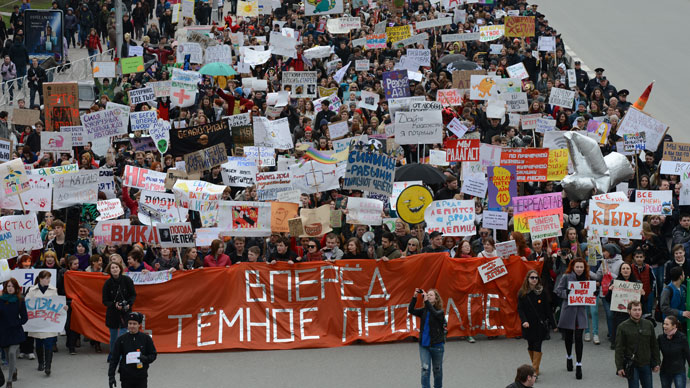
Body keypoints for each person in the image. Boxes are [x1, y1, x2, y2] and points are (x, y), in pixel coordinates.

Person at [555, 258, 593, 380]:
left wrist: (594, 293)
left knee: (578, 338)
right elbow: (558, 290)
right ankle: (569, 356)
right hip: (569, 310)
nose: (579, 269)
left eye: (581, 267)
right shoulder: (566, 277)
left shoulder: (587, 279)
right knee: (568, 337)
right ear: (573, 267)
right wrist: (567, 292)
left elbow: (590, 293)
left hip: (580, 312)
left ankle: (579, 364)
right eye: (577, 267)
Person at [517, 270, 554, 377]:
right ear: (527, 279)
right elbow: (520, 309)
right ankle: (536, 367)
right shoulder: (522, 293)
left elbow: (547, 308)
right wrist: (524, 321)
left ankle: (533, 371)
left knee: (538, 345)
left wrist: (554, 324)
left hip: (540, 324)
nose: (534, 280)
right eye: (532, 277)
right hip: (528, 324)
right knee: (531, 345)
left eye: (536, 278)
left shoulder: (542, 292)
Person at [615, 300, 660, 388]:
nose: (637, 312)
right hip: (632, 365)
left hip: (646, 364)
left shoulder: (648, 324)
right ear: (629, 311)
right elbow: (619, 348)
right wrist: (619, 367)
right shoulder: (622, 327)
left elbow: (654, 345)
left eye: (639, 310)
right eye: (634, 310)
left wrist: (657, 362)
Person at [108, 312, 157, 388]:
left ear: (139, 325)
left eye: (134, 324)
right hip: (126, 376)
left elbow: (153, 354)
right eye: (130, 323)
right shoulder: (121, 340)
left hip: (141, 376)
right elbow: (114, 359)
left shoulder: (146, 339)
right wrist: (111, 376)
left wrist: (145, 359)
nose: (132, 326)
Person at [26, 270, 61, 376]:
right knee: (39, 343)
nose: (48, 280)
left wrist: (63, 307)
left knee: (49, 343)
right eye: (46, 278)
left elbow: (57, 304)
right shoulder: (32, 290)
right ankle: (41, 362)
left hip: (49, 321)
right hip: (37, 322)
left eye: (49, 278)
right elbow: (27, 304)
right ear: (40, 279)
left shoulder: (53, 290)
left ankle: (48, 366)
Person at [409, 288, 445, 388]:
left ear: (436, 299)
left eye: (431, 295)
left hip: (437, 346)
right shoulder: (424, 311)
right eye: (427, 295)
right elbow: (410, 310)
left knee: (437, 370)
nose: (428, 296)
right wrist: (414, 297)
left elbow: (434, 312)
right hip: (424, 346)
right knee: (425, 370)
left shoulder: (440, 312)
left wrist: (426, 301)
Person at [102, 260, 137, 363]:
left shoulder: (127, 280)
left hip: (125, 313)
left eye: (116, 267)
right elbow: (105, 301)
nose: (115, 269)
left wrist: (129, 304)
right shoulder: (107, 283)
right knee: (113, 337)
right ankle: (113, 354)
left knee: (122, 336)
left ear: (120, 269)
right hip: (113, 313)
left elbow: (133, 295)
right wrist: (114, 304)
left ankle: (121, 357)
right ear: (110, 270)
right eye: (112, 268)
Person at [0, 278, 28, 388]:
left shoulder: (20, 299)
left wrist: (16, 323)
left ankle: (9, 380)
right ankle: (14, 370)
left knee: (12, 353)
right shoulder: (1, 300)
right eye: (8, 286)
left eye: (12, 286)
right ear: (5, 288)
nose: (10, 288)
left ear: (16, 287)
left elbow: (25, 318)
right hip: (3, 332)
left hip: (15, 331)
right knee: (7, 356)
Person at [657, 315, 690, 388]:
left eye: (667, 324)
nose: (664, 326)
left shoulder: (682, 338)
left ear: (674, 326)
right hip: (665, 371)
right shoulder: (661, 338)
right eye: (664, 324)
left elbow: (688, 354)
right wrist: (656, 363)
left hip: (679, 371)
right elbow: (655, 352)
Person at [660, 267, 690, 333]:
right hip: (671, 325)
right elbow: (664, 308)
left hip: (682, 323)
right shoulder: (667, 290)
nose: (684, 276)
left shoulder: (683, 288)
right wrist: (681, 313)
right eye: (683, 274)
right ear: (680, 277)